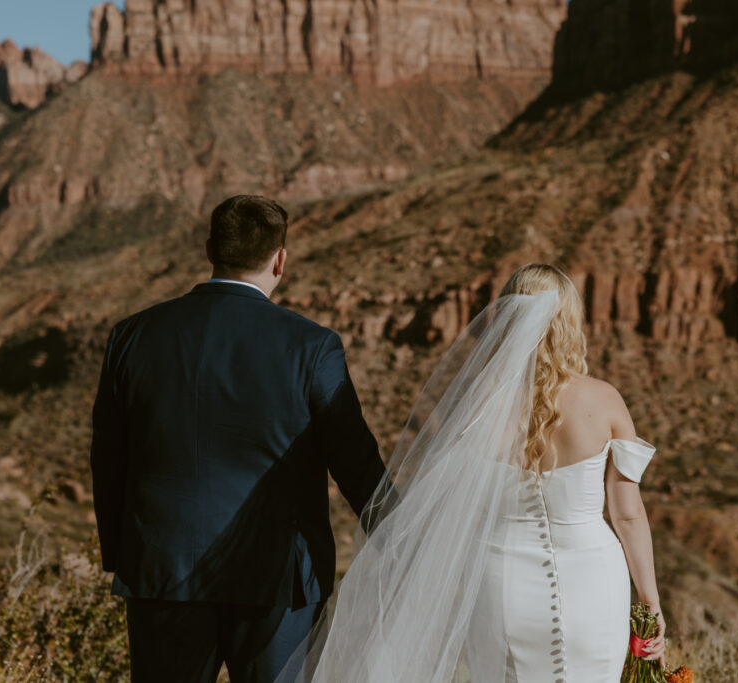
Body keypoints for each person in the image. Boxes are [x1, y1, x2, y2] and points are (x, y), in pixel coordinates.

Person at [277, 263, 665, 682]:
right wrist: (651, 603)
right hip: (595, 584)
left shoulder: (480, 412)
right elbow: (628, 516)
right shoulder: (605, 401)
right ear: (570, 321)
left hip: (502, 589)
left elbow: (450, 511)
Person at [89, 194, 389, 683]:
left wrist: (122, 552)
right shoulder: (312, 347)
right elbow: (354, 459)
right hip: (278, 582)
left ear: (210, 249)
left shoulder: (132, 336)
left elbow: (109, 456)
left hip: (164, 573)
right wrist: (400, 534)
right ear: (280, 259)